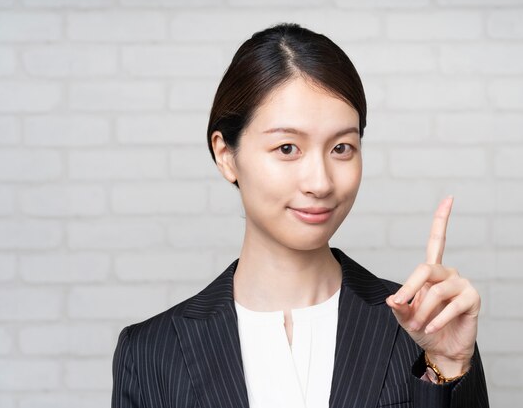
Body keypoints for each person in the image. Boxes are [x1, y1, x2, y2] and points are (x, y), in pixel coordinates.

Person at [112, 23, 489, 408]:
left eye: (342, 148)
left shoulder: (420, 329)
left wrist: (450, 364)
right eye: (288, 147)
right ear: (226, 155)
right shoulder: (150, 353)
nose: (320, 182)